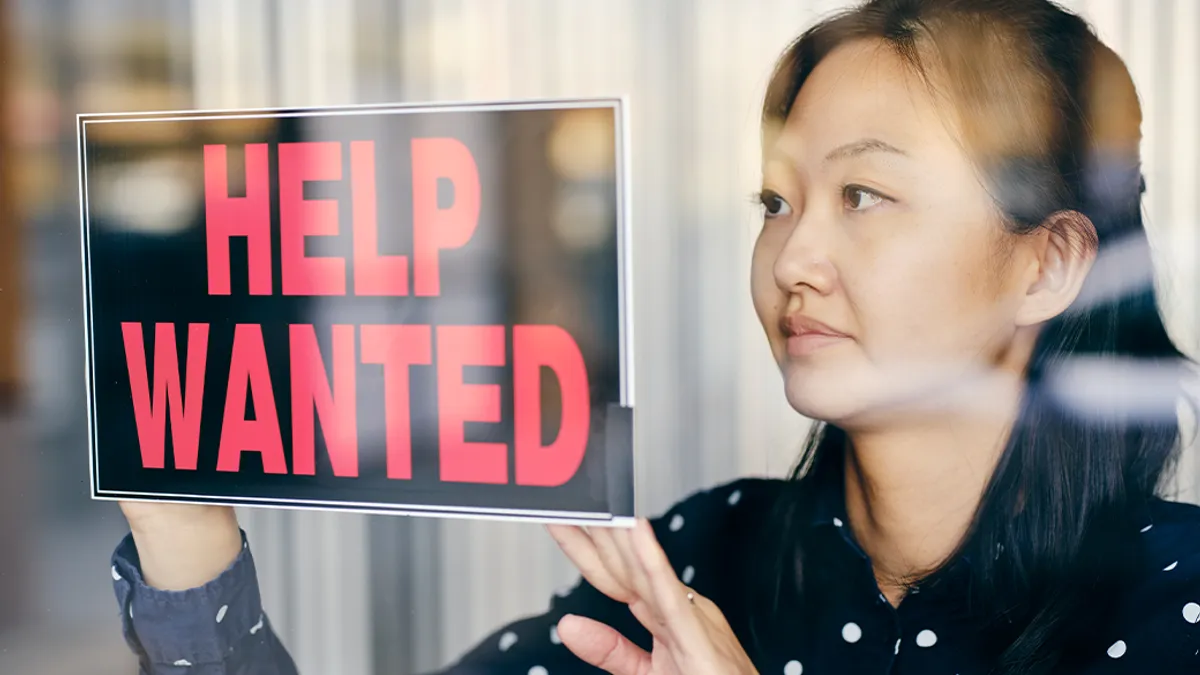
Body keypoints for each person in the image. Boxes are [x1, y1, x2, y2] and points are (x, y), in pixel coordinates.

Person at [110, 0, 1200, 673]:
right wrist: (181, 538)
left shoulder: (1176, 607)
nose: (793, 258)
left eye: (865, 195)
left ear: (1050, 262)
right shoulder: (695, 557)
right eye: (774, 202)